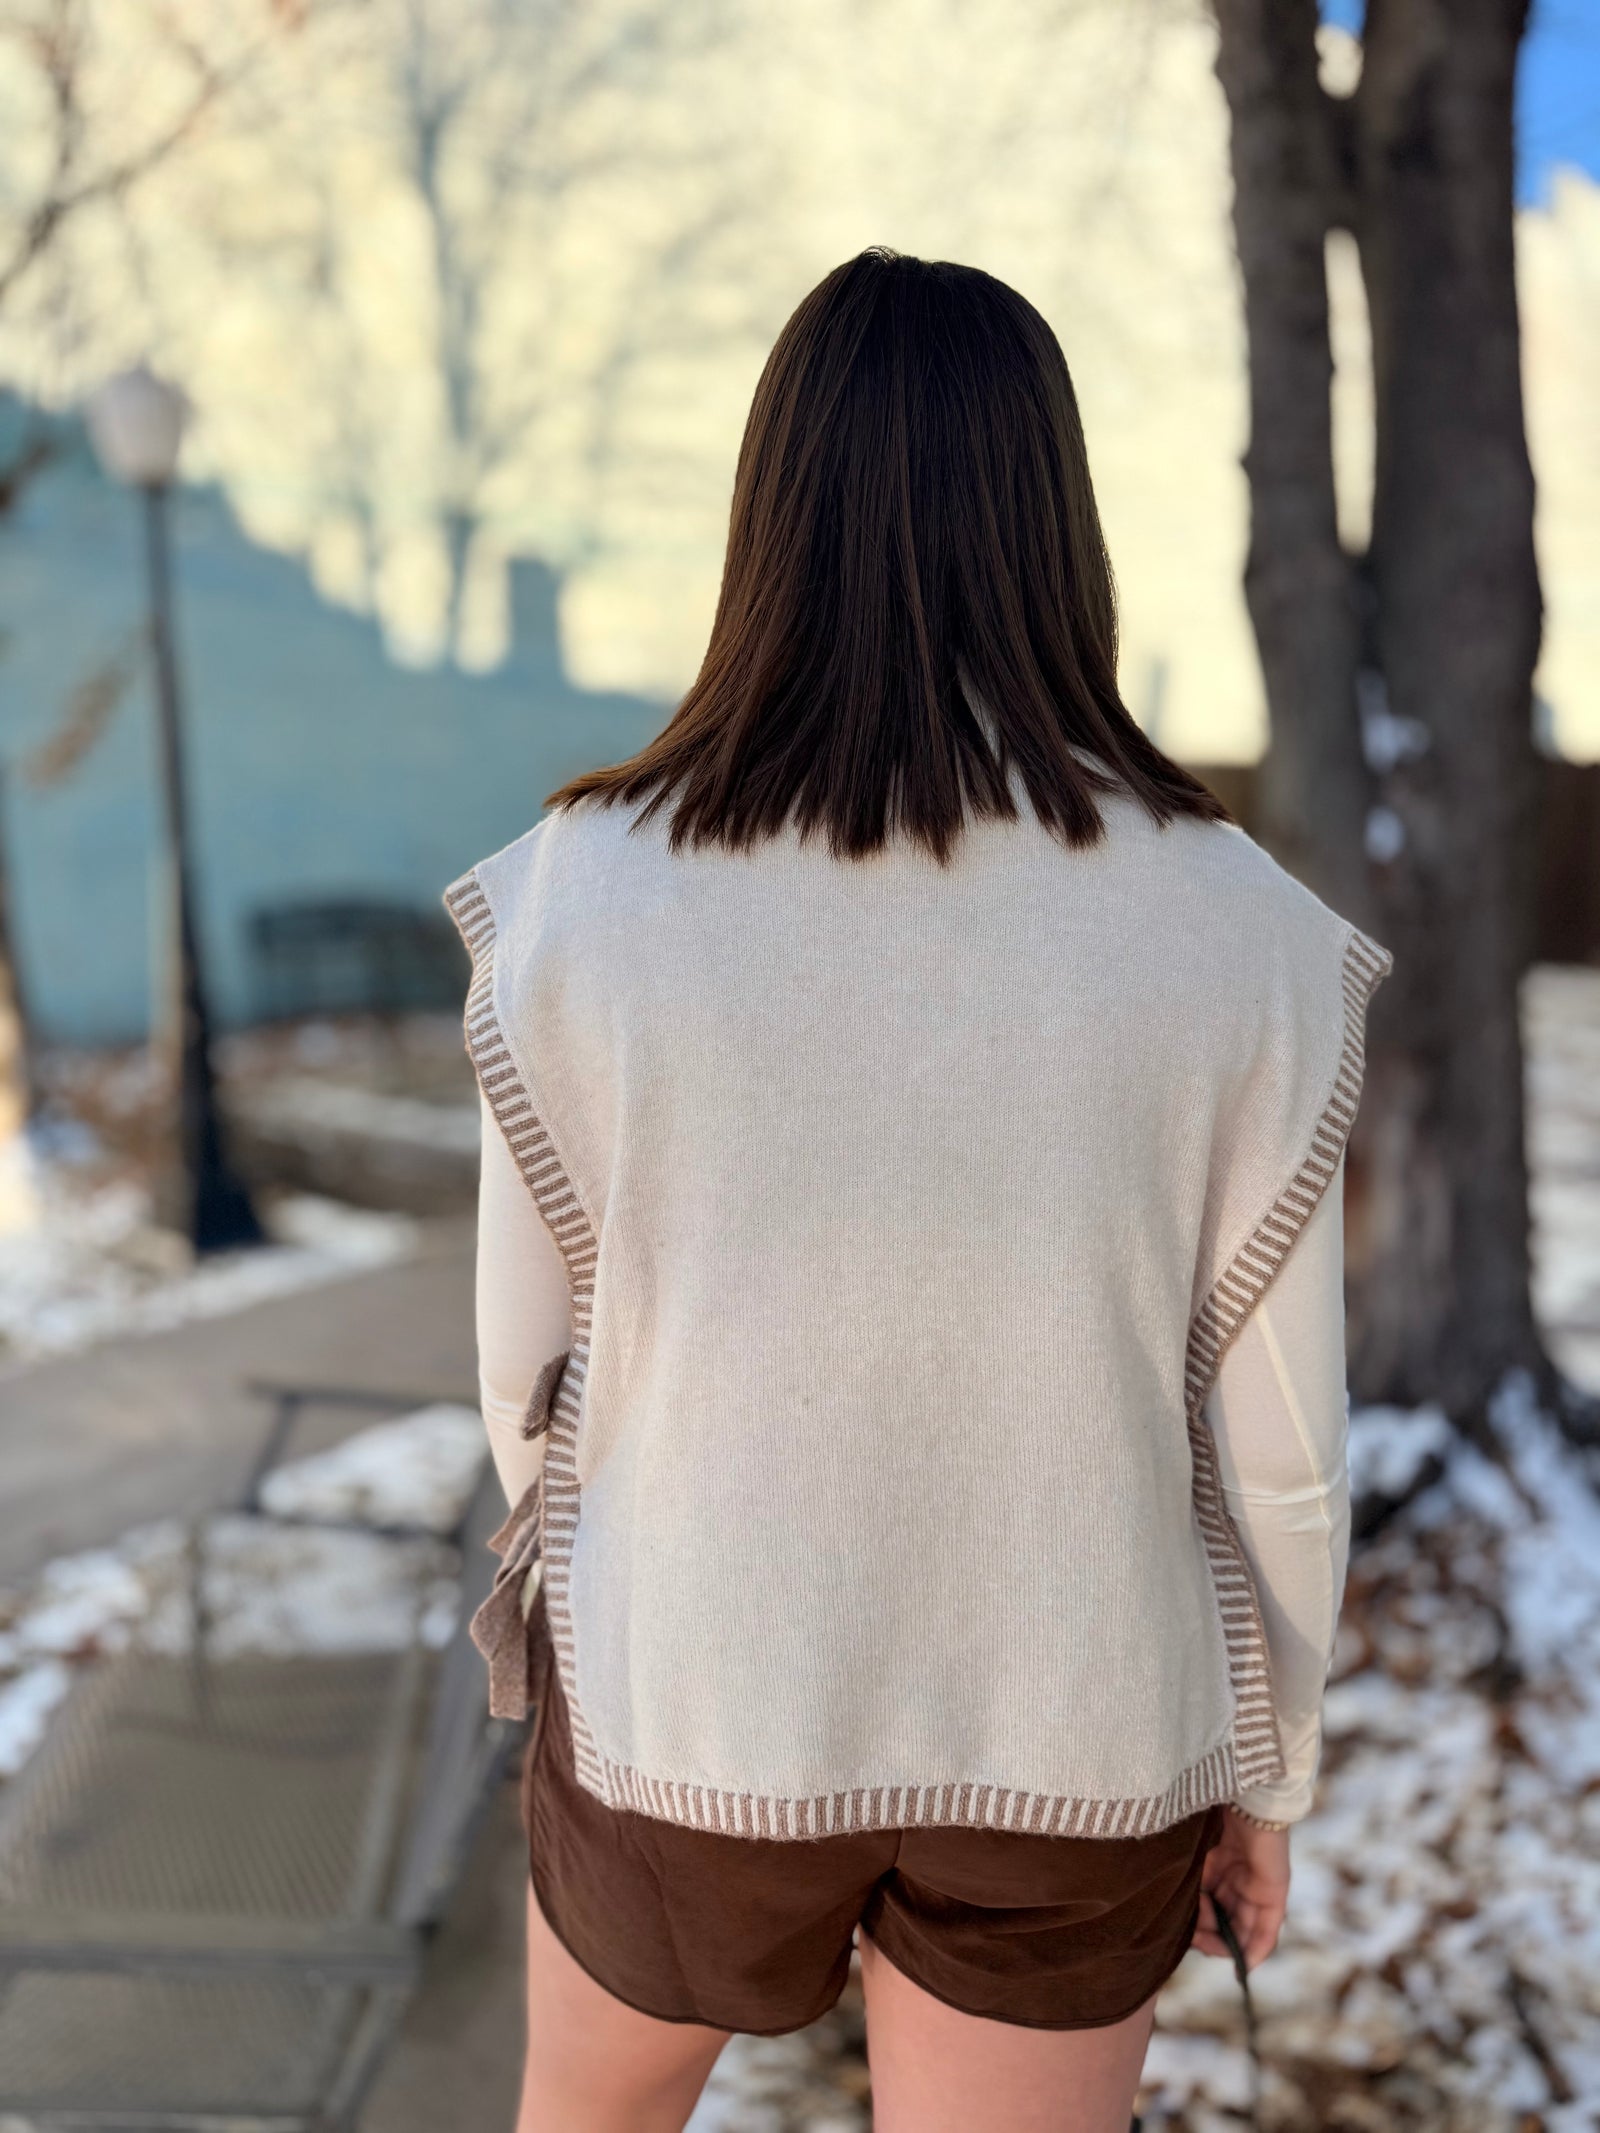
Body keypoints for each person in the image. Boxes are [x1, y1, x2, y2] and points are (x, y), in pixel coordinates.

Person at [444, 248, 1392, 2133]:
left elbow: (520, 1376)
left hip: (687, 1693)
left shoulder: (576, 895)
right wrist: (1262, 1767)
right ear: (1059, 522)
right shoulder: (1246, 936)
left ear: (769, 509)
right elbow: (1283, 1447)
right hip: (1082, 1726)